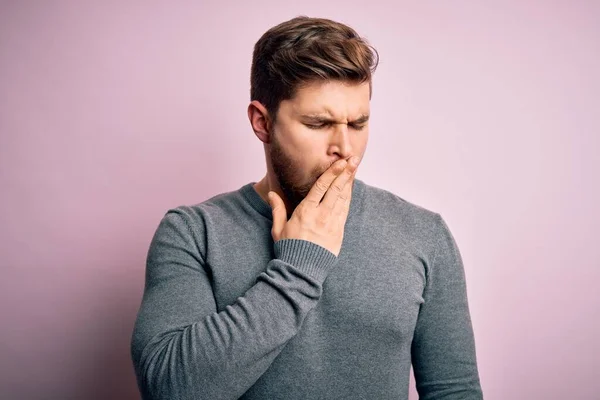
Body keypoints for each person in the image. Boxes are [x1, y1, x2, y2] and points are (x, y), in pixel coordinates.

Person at [130, 16, 484, 400]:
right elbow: (166, 388)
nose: (345, 148)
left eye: (358, 123)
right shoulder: (193, 232)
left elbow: (455, 392)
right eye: (319, 124)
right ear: (262, 123)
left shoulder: (423, 234)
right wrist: (299, 267)